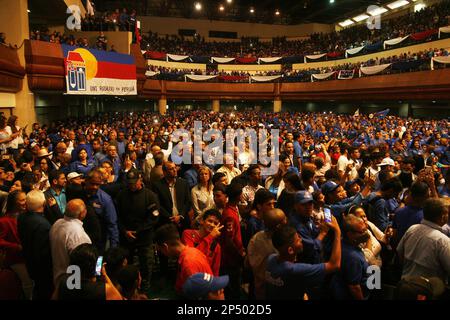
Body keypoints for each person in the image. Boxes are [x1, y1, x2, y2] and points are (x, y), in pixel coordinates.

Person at [265, 216, 341, 300]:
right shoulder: (294, 270)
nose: (301, 240)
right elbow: (334, 265)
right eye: (297, 240)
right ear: (290, 250)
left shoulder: (271, 258)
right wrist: (337, 232)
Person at [116, 169, 159, 291]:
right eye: (129, 183)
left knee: (146, 263)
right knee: (126, 263)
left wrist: (139, 230)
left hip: (145, 236)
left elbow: (154, 217)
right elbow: (117, 216)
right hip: (126, 236)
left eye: (134, 182)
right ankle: (128, 286)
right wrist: (125, 231)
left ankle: (145, 285)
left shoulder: (150, 195)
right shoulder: (121, 195)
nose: (132, 185)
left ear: (140, 180)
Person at [397, 198, 450, 284]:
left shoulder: (412, 229)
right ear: (443, 217)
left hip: (405, 284)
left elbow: (399, 253)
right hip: (428, 291)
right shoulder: (443, 241)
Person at [154, 224, 213, 297]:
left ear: (165, 247)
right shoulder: (191, 251)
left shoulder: (189, 263)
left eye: (160, 250)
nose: (163, 254)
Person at [17, 190, 53, 300]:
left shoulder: (21, 217)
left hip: (29, 262)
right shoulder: (43, 225)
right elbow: (42, 253)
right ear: (43, 204)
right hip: (42, 269)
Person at [56, 243, 122, 300]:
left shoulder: (63, 284)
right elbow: (119, 298)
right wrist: (104, 275)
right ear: (96, 267)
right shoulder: (104, 290)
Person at [49, 199, 91, 288]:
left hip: (58, 279)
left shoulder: (57, 223)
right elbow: (82, 266)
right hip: (72, 284)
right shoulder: (78, 235)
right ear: (82, 214)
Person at [247, 208, 287, 300]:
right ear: (278, 226)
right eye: (284, 219)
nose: (287, 220)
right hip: (272, 288)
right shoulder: (278, 244)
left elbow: (247, 263)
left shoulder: (256, 237)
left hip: (258, 285)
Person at [0, 191, 33, 299]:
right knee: (28, 283)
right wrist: (16, 247)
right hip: (16, 259)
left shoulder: (27, 215)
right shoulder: (4, 221)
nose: (25, 202)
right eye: (22, 200)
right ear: (14, 203)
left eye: (26, 199)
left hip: (27, 256)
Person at [219, 182, 245, 300]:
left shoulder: (233, 208)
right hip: (231, 258)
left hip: (234, 255)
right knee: (234, 289)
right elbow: (229, 241)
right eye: (241, 193)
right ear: (238, 195)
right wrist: (239, 254)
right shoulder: (230, 214)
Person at [83, 169, 119, 252]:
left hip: (99, 243)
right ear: (86, 181)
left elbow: (112, 224)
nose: (95, 187)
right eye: (92, 184)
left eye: (97, 184)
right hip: (82, 240)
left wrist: (114, 248)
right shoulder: (79, 193)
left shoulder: (105, 199)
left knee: (99, 264)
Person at [289, 191, 328, 264]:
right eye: (304, 204)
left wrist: (319, 228)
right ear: (295, 206)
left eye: (310, 203)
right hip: (307, 264)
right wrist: (323, 233)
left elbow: (313, 233)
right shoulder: (296, 225)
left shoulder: (306, 216)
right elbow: (312, 248)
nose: (308, 207)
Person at [152, 161, 192, 231]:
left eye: (175, 168)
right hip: (166, 222)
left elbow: (188, 202)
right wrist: (171, 218)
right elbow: (158, 205)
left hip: (183, 220)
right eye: (171, 169)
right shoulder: (157, 186)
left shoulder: (183, 183)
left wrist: (180, 216)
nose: (175, 170)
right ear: (164, 172)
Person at [182, 209, 222, 276]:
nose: (212, 225)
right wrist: (210, 237)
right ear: (202, 221)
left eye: (215, 223)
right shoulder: (188, 234)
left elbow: (215, 271)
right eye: (210, 221)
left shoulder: (216, 246)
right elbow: (192, 259)